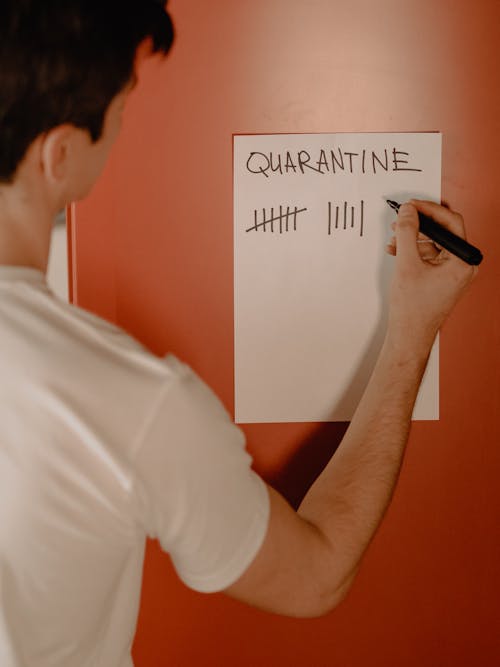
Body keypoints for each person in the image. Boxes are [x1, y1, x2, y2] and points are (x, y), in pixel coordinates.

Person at [0, 1, 477, 665]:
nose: (122, 130)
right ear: (58, 153)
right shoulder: (127, 397)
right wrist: (412, 334)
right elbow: (317, 573)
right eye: (119, 111)